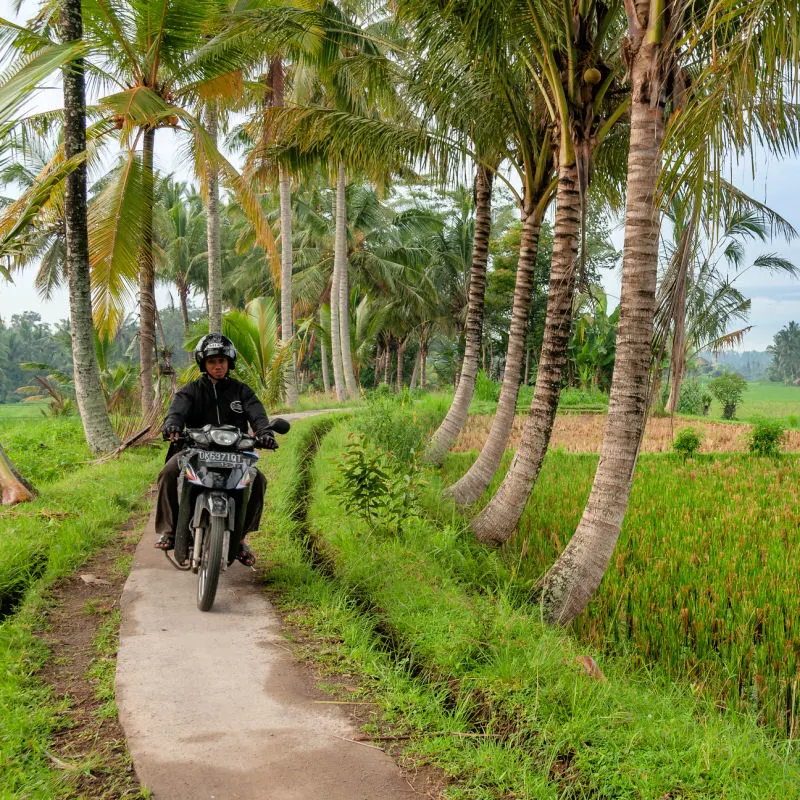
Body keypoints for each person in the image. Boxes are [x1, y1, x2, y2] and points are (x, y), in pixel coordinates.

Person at [154, 333, 276, 566]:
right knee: (169, 471)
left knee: (258, 479)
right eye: (212, 361)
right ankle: (170, 531)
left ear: (229, 362)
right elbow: (176, 412)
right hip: (195, 449)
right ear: (204, 364)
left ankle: (239, 538)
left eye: (222, 361)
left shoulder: (242, 391)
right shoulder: (190, 391)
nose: (218, 366)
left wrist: (265, 433)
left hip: (236, 452)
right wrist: (172, 425)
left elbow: (258, 416)